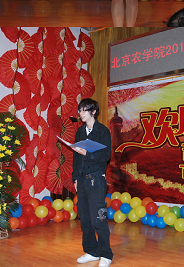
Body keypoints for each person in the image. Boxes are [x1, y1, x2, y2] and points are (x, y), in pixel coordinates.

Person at [72, 98, 113, 267]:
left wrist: (87, 153)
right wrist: (75, 178)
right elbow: (75, 158)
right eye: (80, 110)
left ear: (93, 111)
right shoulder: (80, 132)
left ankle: (106, 254)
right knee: (85, 219)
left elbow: (106, 156)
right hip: (81, 180)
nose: (81, 113)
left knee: (98, 219)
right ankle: (91, 251)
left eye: (84, 110)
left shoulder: (103, 131)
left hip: (96, 179)